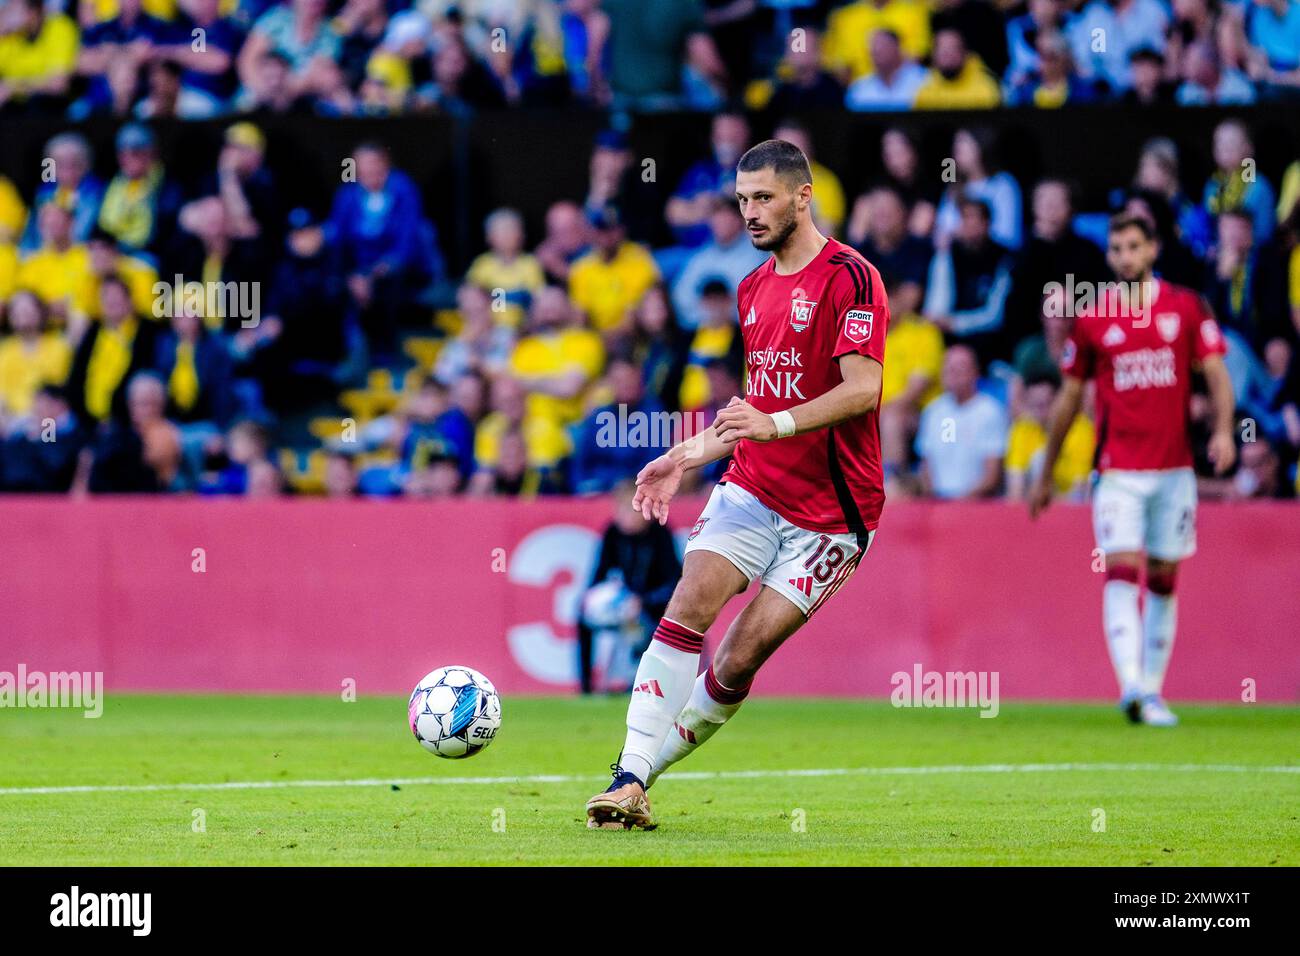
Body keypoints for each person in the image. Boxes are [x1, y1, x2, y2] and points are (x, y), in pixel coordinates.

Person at [585, 138, 889, 830]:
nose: (749, 213)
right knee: (689, 600)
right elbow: (751, 409)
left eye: (763, 199)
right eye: (742, 199)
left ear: (802, 197)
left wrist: (775, 424)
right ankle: (629, 775)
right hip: (753, 487)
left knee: (738, 659)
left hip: (833, 517)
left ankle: (644, 774)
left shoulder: (852, 277)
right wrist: (682, 457)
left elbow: (864, 390)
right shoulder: (751, 290)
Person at [1029, 214, 1238, 727]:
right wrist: (1046, 472)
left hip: (1175, 472)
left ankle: (1151, 688)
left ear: (1153, 250)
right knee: (1122, 572)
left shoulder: (1186, 307)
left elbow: (1216, 374)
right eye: (1117, 248)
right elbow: (1069, 398)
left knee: (1164, 578)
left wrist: (1225, 431)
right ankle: (1132, 690)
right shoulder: (1095, 318)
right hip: (1118, 470)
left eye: (1133, 246)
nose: (1124, 256)